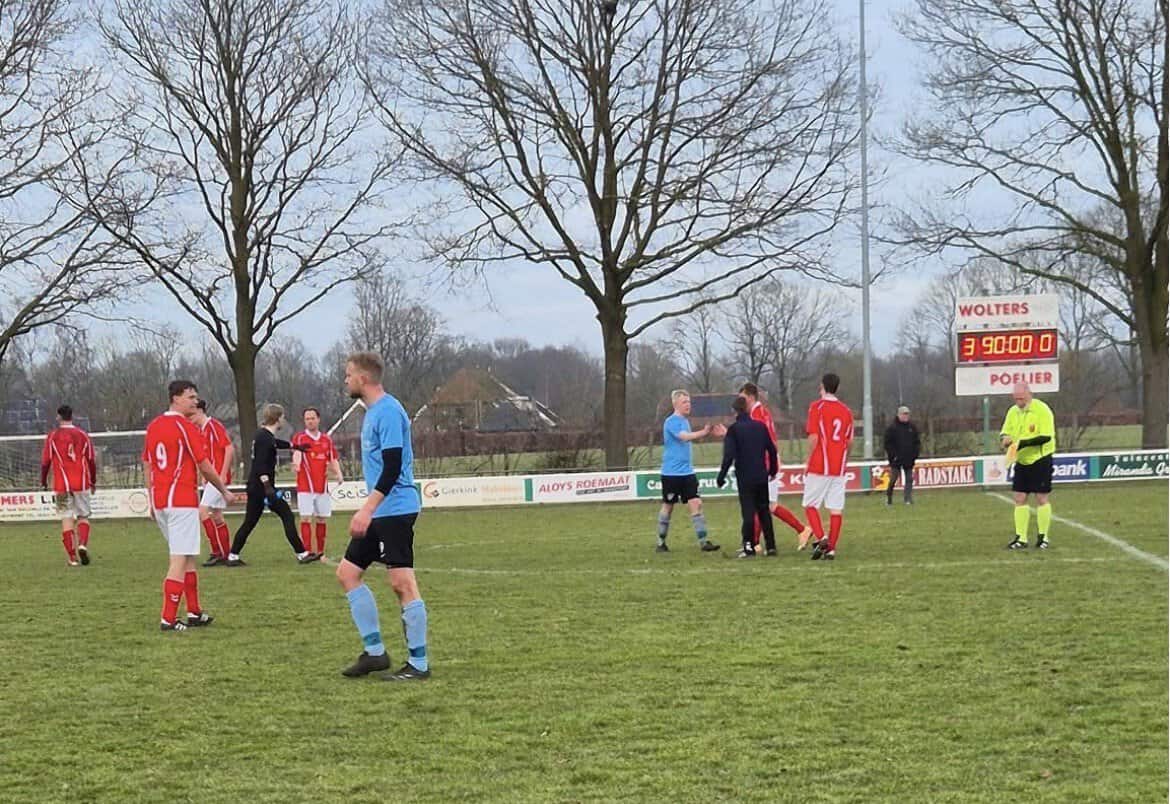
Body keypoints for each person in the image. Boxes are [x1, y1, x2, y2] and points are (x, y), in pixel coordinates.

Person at [336, 352, 430, 681]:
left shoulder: (389, 411)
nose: (345, 380)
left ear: (363, 378)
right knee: (348, 573)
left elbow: (392, 468)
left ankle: (418, 664)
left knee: (402, 583)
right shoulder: (373, 413)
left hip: (396, 508)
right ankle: (375, 654)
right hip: (382, 509)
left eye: (348, 375)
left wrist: (366, 509)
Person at [143, 380, 236, 631]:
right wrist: (224, 490)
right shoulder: (184, 427)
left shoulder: (153, 426)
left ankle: (194, 611)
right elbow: (204, 465)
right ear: (175, 398)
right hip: (181, 501)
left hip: (162, 500)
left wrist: (150, 497)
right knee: (179, 559)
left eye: (196, 397)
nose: (195, 402)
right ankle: (168, 618)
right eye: (190, 397)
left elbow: (148, 463)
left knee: (188, 558)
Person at [226, 404, 317, 566]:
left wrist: (295, 447)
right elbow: (261, 465)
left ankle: (233, 556)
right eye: (282, 416)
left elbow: (276, 443)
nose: (284, 419)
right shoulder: (264, 438)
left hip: (256, 487)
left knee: (250, 522)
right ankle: (302, 554)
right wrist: (268, 487)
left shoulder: (263, 435)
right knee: (286, 515)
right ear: (277, 418)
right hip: (262, 488)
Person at [739, 383, 812, 549]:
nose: (741, 401)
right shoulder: (762, 412)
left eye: (742, 398)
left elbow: (758, 440)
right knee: (763, 505)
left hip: (764, 464)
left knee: (768, 505)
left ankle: (802, 530)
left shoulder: (757, 414)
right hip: (767, 462)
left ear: (750, 397)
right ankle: (755, 544)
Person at [655, 389, 724, 553]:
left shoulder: (686, 421)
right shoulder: (671, 422)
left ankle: (703, 542)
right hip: (671, 474)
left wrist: (705, 433)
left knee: (696, 503)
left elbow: (688, 435)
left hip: (687, 473)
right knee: (668, 506)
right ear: (676, 404)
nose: (688, 405)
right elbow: (684, 437)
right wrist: (704, 432)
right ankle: (660, 543)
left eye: (689, 402)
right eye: (685, 402)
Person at [717, 396, 779, 558]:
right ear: (748, 409)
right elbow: (772, 450)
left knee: (748, 512)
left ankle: (749, 546)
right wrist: (772, 470)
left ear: (734, 411)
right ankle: (771, 546)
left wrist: (721, 476)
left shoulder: (734, 430)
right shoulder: (760, 427)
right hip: (761, 475)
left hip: (745, 476)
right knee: (764, 510)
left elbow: (728, 455)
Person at [804, 373, 854, 561]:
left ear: (823, 386)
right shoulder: (846, 411)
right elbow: (849, 442)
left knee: (810, 504)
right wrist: (844, 460)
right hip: (839, 466)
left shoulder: (817, 407)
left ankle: (821, 537)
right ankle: (831, 549)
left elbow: (814, 436)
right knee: (835, 508)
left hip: (820, 464)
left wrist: (808, 460)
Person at [1001, 382, 1056, 550]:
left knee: (1041, 498)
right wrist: (1005, 439)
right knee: (1019, 497)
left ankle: (1043, 537)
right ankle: (1021, 538)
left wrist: (1023, 443)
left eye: (1021, 398)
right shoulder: (1013, 411)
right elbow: (1005, 432)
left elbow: (1046, 436)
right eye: (1016, 399)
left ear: (1029, 394)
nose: (1018, 402)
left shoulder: (1042, 410)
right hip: (1021, 460)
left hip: (1040, 459)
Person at [40, 405, 97, 566]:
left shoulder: (53, 437)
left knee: (66, 518)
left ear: (59, 417)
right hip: (81, 482)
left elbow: (45, 462)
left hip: (61, 485)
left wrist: (43, 480)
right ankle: (83, 544)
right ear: (72, 416)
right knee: (83, 516)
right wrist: (93, 480)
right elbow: (91, 461)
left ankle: (72, 558)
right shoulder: (83, 435)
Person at [292, 407, 343, 558]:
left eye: (312, 418)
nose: (310, 421)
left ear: (318, 419)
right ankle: (307, 551)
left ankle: (320, 551)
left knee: (321, 518)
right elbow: (297, 453)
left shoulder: (326, 439)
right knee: (306, 517)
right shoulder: (300, 438)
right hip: (305, 486)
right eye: (307, 419)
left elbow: (332, 459)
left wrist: (338, 474)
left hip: (322, 487)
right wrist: (297, 464)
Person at [193, 399, 235, 565]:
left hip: (218, 478)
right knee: (216, 515)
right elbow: (209, 456)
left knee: (202, 511)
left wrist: (223, 474)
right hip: (212, 477)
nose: (190, 418)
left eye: (193, 414)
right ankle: (225, 553)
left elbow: (229, 448)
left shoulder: (213, 426)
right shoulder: (201, 430)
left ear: (201, 411)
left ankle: (217, 551)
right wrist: (205, 475)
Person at [883, 405, 921, 506]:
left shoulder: (912, 427)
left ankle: (907, 499)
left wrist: (915, 454)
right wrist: (893, 455)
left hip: (909, 459)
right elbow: (887, 443)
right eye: (904, 414)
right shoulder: (892, 428)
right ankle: (889, 498)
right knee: (893, 479)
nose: (905, 416)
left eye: (907, 414)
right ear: (898, 415)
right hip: (896, 459)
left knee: (909, 479)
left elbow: (917, 442)